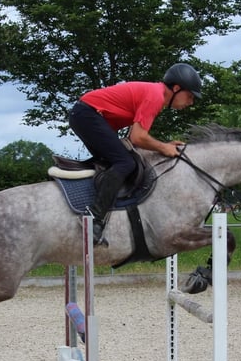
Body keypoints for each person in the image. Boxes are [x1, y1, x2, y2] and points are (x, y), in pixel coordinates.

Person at [68, 62, 202, 246]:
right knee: (126, 163)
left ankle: (91, 210)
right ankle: (93, 218)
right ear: (177, 88)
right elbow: (138, 138)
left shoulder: (154, 93)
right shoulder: (155, 96)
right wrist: (164, 148)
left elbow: (135, 138)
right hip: (87, 115)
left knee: (121, 161)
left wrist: (163, 145)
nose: (191, 103)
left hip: (85, 114)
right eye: (190, 96)